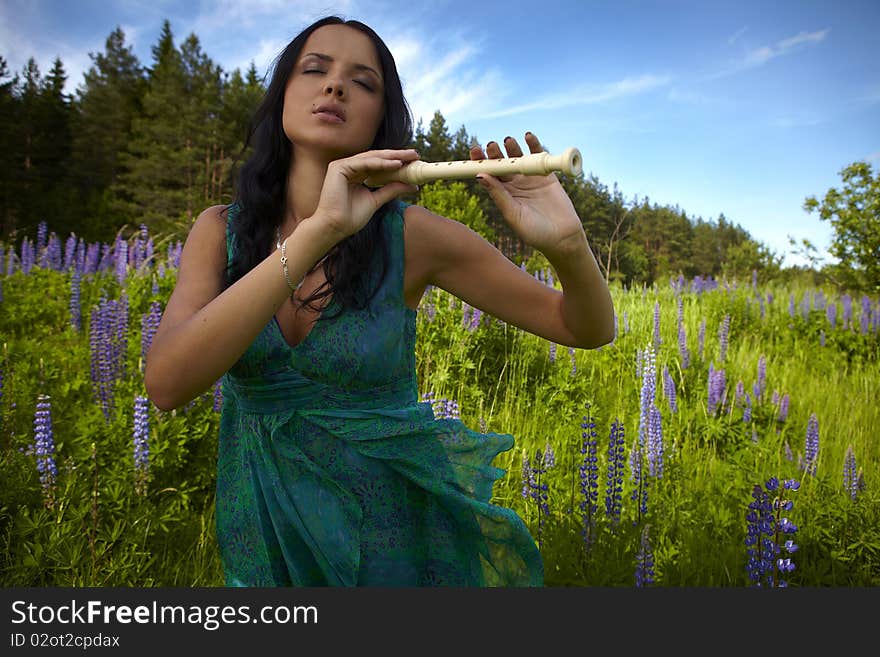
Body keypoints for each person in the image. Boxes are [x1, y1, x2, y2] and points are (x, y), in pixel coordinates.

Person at [144, 15, 614, 587]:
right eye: (314, 69)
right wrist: (319, 231)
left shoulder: (415, 236)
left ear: (381, 119)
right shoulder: (218, 232)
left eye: (363, 82)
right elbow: (167, 384)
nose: (335, 86)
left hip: (391, 548)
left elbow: (586, 327)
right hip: (264, 542)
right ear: (282, 96)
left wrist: (569, 246)